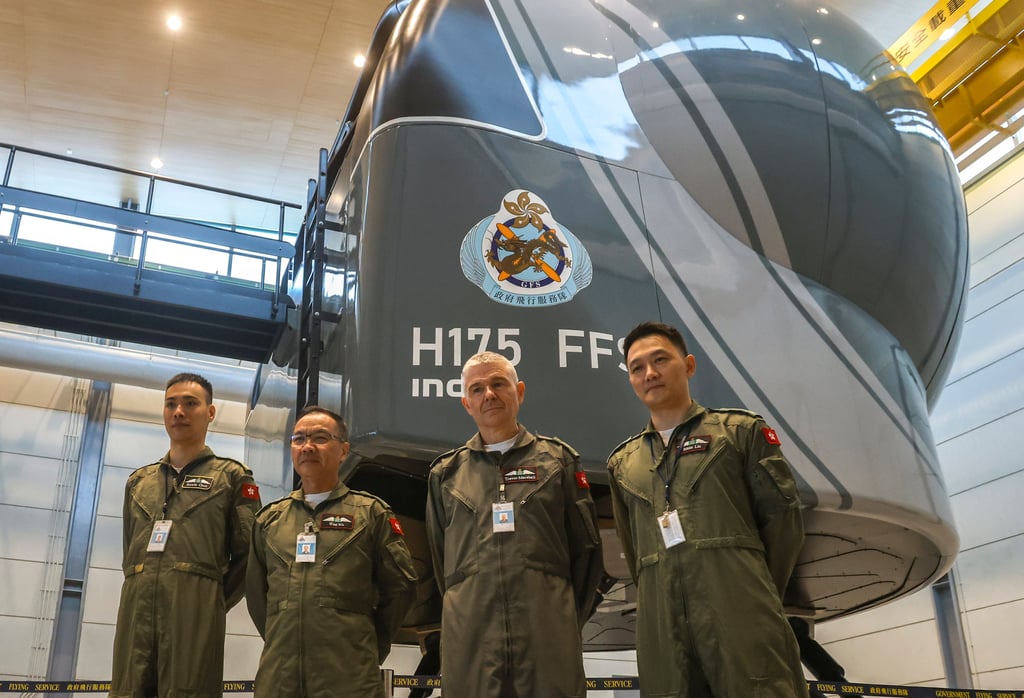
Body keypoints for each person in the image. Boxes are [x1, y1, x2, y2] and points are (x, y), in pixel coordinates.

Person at [607, 321, 808, 697]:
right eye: (637, 367)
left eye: (660, 360)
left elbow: (784, 526)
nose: (649, 373)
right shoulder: (623, 463)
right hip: (665, 632)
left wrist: (747, 587)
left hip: (742, 616)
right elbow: (634, 552)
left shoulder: (739, 433)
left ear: (688, 365)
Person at [425, 351, 604, 698]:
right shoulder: (445, 475)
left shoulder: (558, 462)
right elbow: (441, 563)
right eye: (477, 389)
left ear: (519, 391)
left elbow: (586, 553)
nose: (489, 395)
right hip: (473, 642)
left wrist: (558, 614)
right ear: (466, 403)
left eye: (498, 384)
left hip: (546, 635)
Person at [246, 406, 417, 698]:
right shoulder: (269, 520)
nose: (307, 446)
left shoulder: (370, 514)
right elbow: (257, 597)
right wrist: (287, 642)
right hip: (280, 679)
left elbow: (401, 587)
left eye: (320, 437)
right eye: (299, 439)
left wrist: (368, 648)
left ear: (343, 450)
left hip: (349, 678)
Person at [110, 373, 262, 698]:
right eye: (171, 404)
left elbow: (250, 555)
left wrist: (210, 598)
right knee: (127, 690)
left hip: (195, 612)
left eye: (190, 403)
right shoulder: (139, 482)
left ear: (210, 413)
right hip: (136, 610)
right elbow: (130, 555)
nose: (179, 411)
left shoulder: (232, 477)